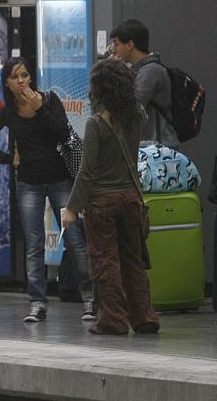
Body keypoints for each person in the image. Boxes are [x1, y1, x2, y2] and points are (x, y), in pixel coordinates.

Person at [0, 58, 96, 323]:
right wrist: (9, 158)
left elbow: (65, 135)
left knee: (75, 239)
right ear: (6, 82)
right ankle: (37, 303)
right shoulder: (8, 112)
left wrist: (41, 109)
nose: (22, 81)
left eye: (25, 75)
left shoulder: (49, 101)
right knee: (34, 245)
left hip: (60, 180)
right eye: (15, 77)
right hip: (28, 183)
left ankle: (90, 298)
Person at [62, 58, 159, 336]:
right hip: (131, 199)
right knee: (134, 261)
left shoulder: (95, 124)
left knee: (105, 263)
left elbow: (87, 172)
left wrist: (71, 208)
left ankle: (113, 320)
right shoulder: (138, 114)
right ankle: (144, 317)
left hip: (102, 203)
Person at [108, 19, 177, 147]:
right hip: (150, 147)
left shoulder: (150, 71)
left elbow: (130, 108)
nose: (112, 49)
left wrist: (111, 71)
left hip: (158, 151)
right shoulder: (139, 70)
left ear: (129, 45)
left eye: (116, 44)